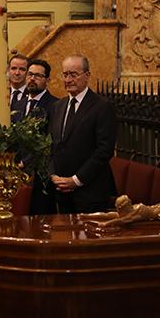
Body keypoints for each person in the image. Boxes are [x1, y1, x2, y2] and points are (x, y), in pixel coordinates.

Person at [49, 55, 117, 214]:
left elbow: (104, 150)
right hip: (61, 191)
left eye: (73, 74)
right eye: (65, 75)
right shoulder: (58, 106)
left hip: (90, 192)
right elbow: (50, 144)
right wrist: (53, 175)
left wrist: (76, 180)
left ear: (87, 76)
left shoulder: (102, 106)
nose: (68, 79)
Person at [23, 58, 58, 215]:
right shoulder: (18, 103)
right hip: (17, 174)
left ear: (47, 80)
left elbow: (48, 142)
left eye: (37, 76)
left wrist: (25, 163)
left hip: (39, 176)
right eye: (30, 74)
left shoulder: (55, 106)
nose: (32, 78)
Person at [8, 54, 29, 123]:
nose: (17, 73)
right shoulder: (0, 94)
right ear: (8, 71)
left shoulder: (32, 95)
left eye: (22, 69)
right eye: (13, 68)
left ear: (27, 73)